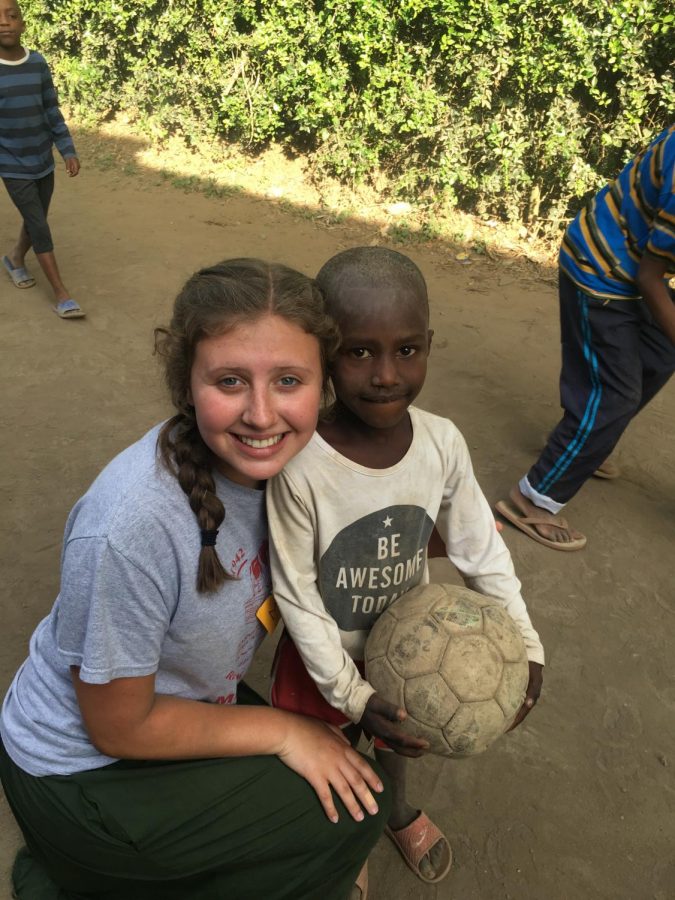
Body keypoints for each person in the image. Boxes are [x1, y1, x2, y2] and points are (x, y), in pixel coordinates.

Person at [0, 258, 391, 900]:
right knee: (350, 815)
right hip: (78, 773)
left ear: (324, 386)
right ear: (186, 383)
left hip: (183, 703)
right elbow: (117, 727)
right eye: (230, 380)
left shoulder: (297, 468)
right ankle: (69, 872)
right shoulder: (132, 527)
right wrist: (285, 731)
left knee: (343, 777)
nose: (262, 415)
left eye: (289, 380)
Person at [266, 247, 545, 885]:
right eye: (359, 352)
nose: (386, 374)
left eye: (407, 349)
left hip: (416, 650)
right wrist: (351, 694)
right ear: (324, 352)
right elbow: (298, 593)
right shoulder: (301, 464)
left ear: (429, 345)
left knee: (397, 744)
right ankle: (346, 842)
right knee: (329, 757)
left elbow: (480, 547)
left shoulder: (442, 442)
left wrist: (527, 643)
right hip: (323, 660)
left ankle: (394, 808)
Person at [496, 123, 675, 550]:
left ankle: (588, 441)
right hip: (601, 272)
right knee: (615, 393)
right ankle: (533, 498)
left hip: (628, 262)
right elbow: (652, 278)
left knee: (663, 350)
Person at [0, 0, 84, 319]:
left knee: (35, 219)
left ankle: (14, 260)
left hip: (42, 160)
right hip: (11, 164)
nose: (5, 22)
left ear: (23, 23)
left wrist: (67, 149)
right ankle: (62, 294)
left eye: (12, 15)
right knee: (38, 223)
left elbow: (51, 110)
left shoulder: (37, 63)